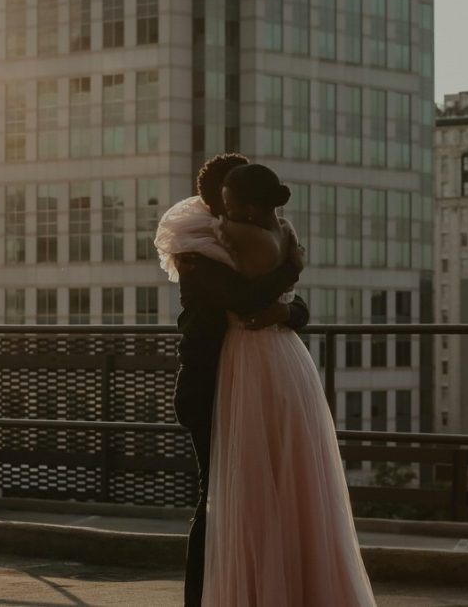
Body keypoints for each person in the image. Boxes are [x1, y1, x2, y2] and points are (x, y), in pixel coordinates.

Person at [202, 163, 376, 607]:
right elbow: (288, 296)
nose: (225, 212)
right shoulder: (286, 233)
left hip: (252, 354)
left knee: (255, 475)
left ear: (249, 206)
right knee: (297, 470)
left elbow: (246, 296)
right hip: (290, 356)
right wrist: (289, 293)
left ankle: (266, 590)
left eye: (230, 205)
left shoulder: (232, 234)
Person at [153, 153, 311, 607]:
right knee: (215, 499)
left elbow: (287, 304)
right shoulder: (198, 251)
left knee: (265, 493)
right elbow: (243, 300)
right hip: (208, 385)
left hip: (255, 381)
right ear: (225, 203)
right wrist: (292, 266)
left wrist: (292, 307)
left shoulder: (250, 242)